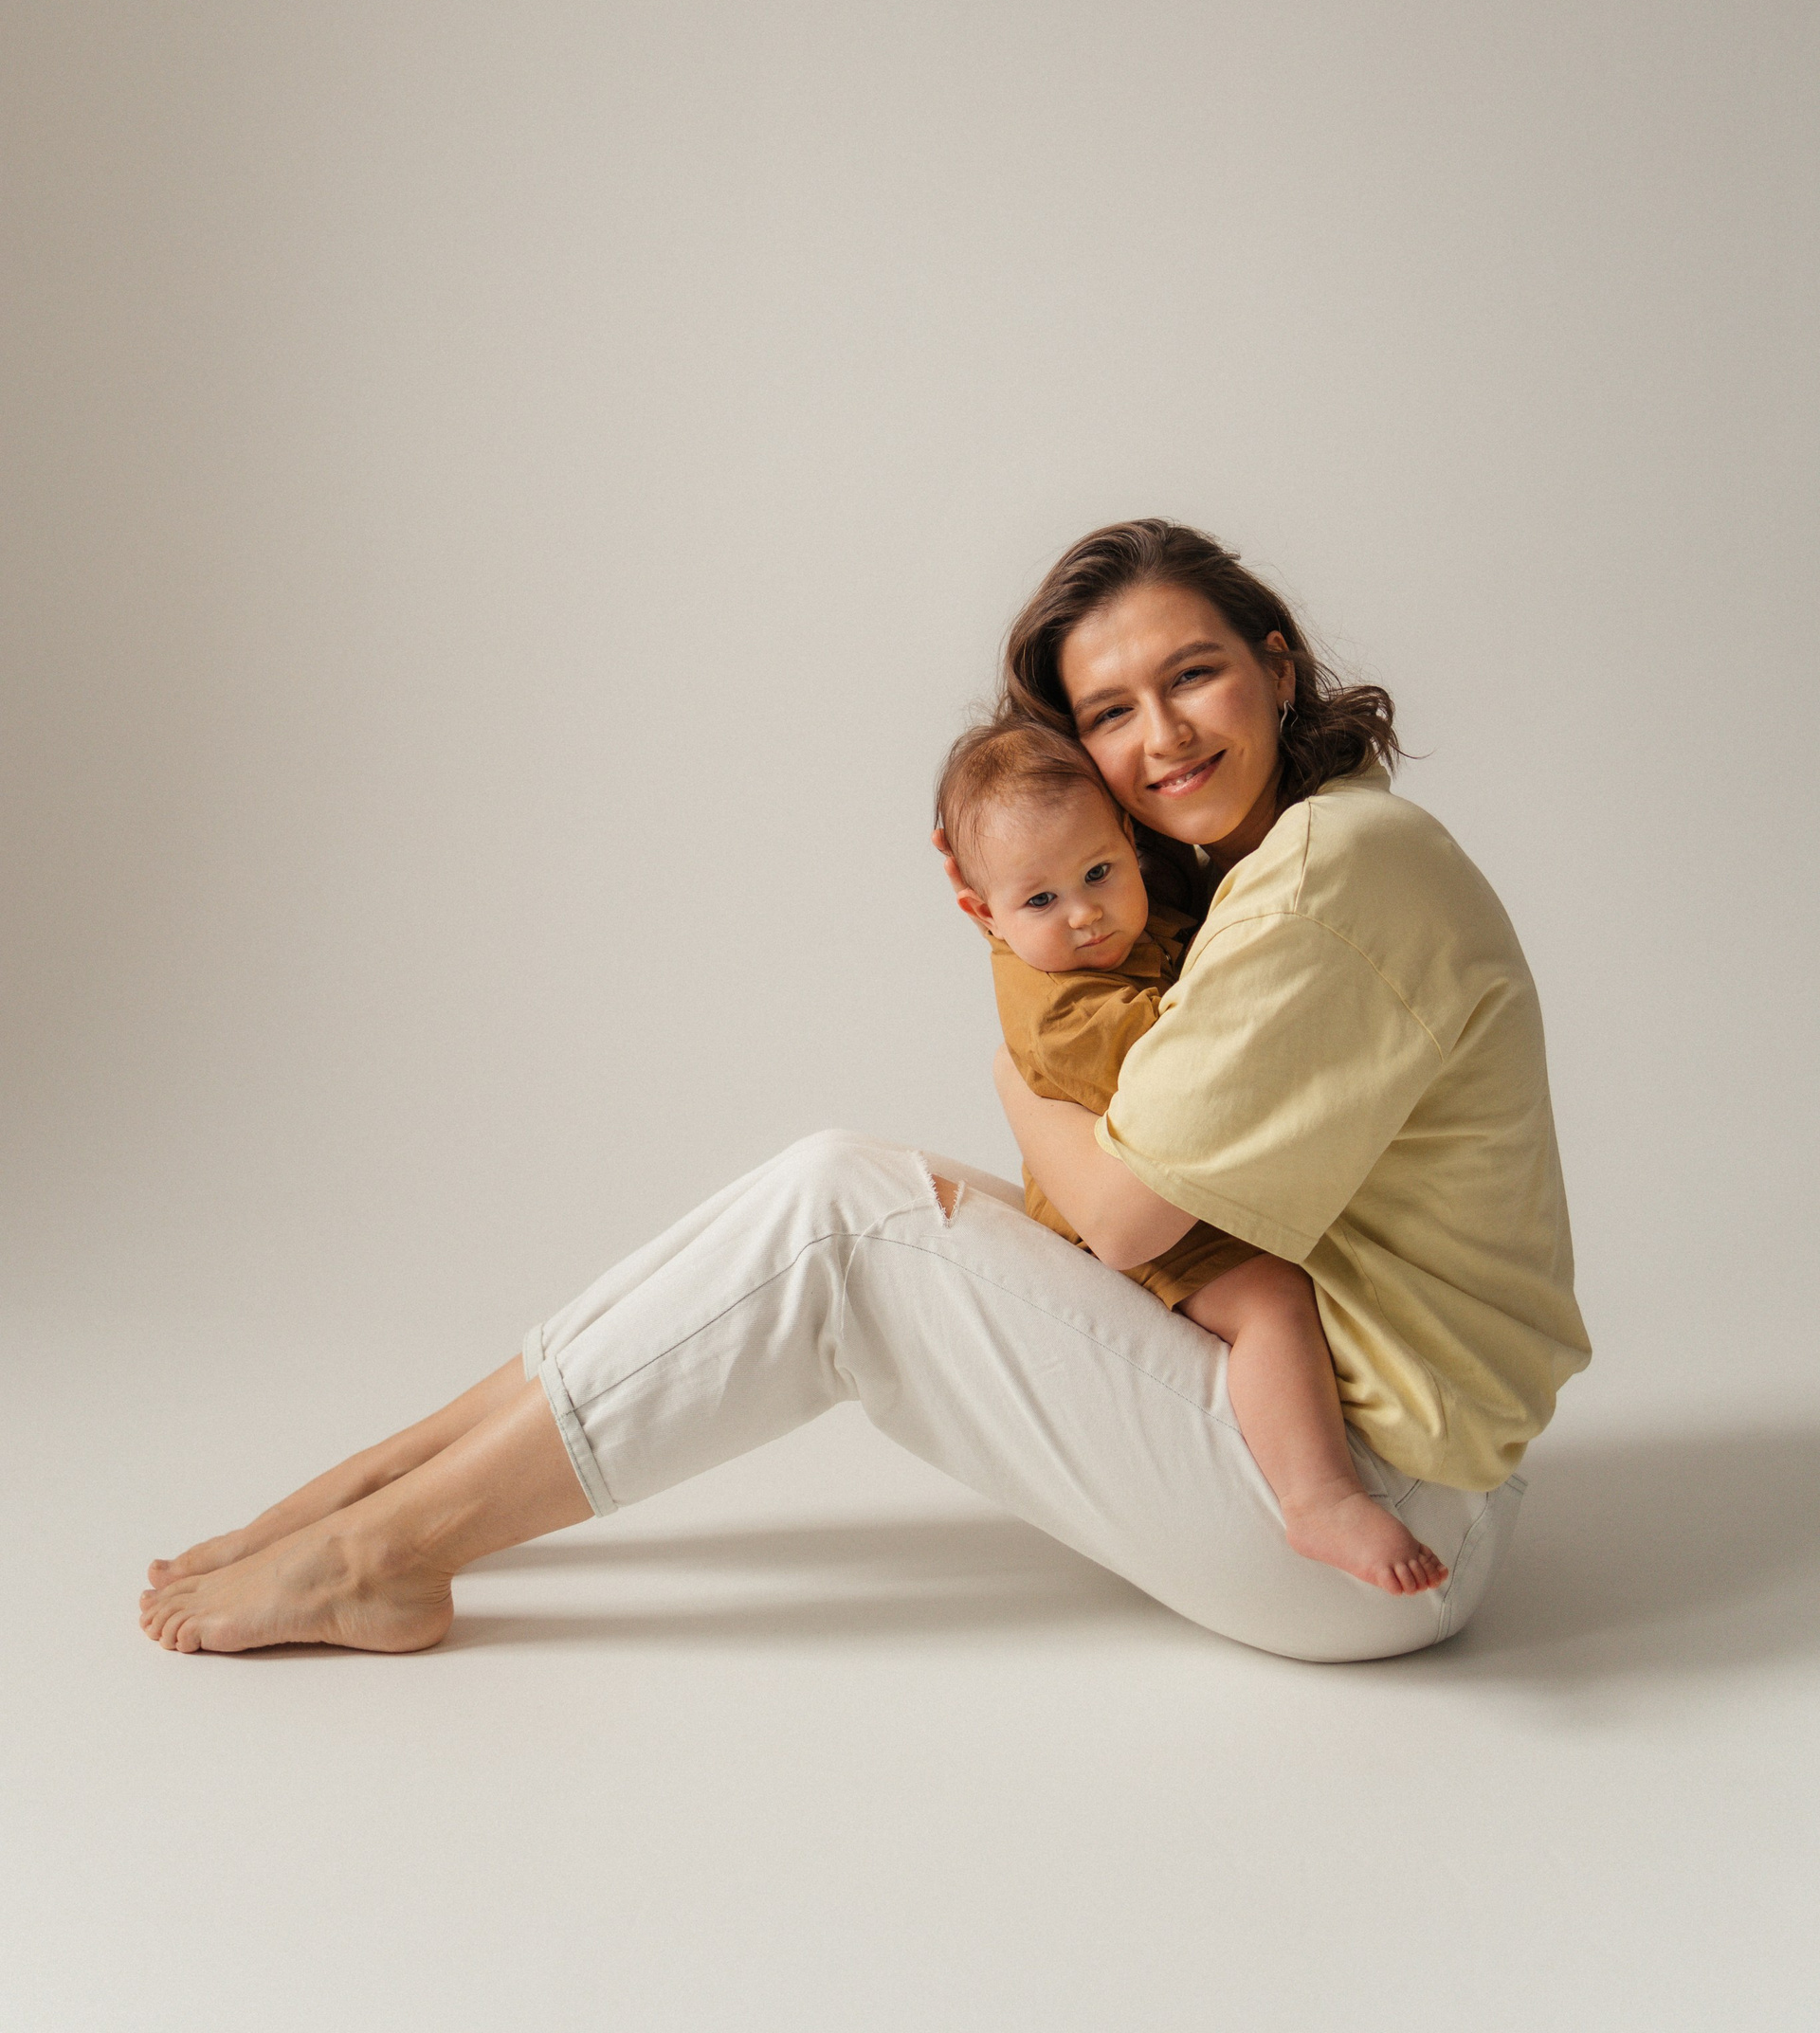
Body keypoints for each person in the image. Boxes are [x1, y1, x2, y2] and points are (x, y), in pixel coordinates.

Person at [139, 517, 1589, 1664]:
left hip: (1377, 1513)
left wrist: (1016, 1071)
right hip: (1342, 1454)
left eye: (1193, 675)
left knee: (844, 1221)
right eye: (1111, 710)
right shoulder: (1269, 871)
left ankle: (384, 1550)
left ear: (1276, 668)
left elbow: (1128, 1218)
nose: (1161, 737)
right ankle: (380, 1488)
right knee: (837, 1182)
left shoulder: (1332, 872)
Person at [934, 710, 1448, 1595]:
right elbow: (1193, 1058)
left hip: (1175, 1185)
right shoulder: (1063, 1012)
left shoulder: (1120, 923)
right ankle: (1318, 1498)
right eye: (1041, 901)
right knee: (1272, 1303)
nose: (1085, 915)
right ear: (984, 913)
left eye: (1099, 872)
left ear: (1128, 844)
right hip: (1116, 1222)